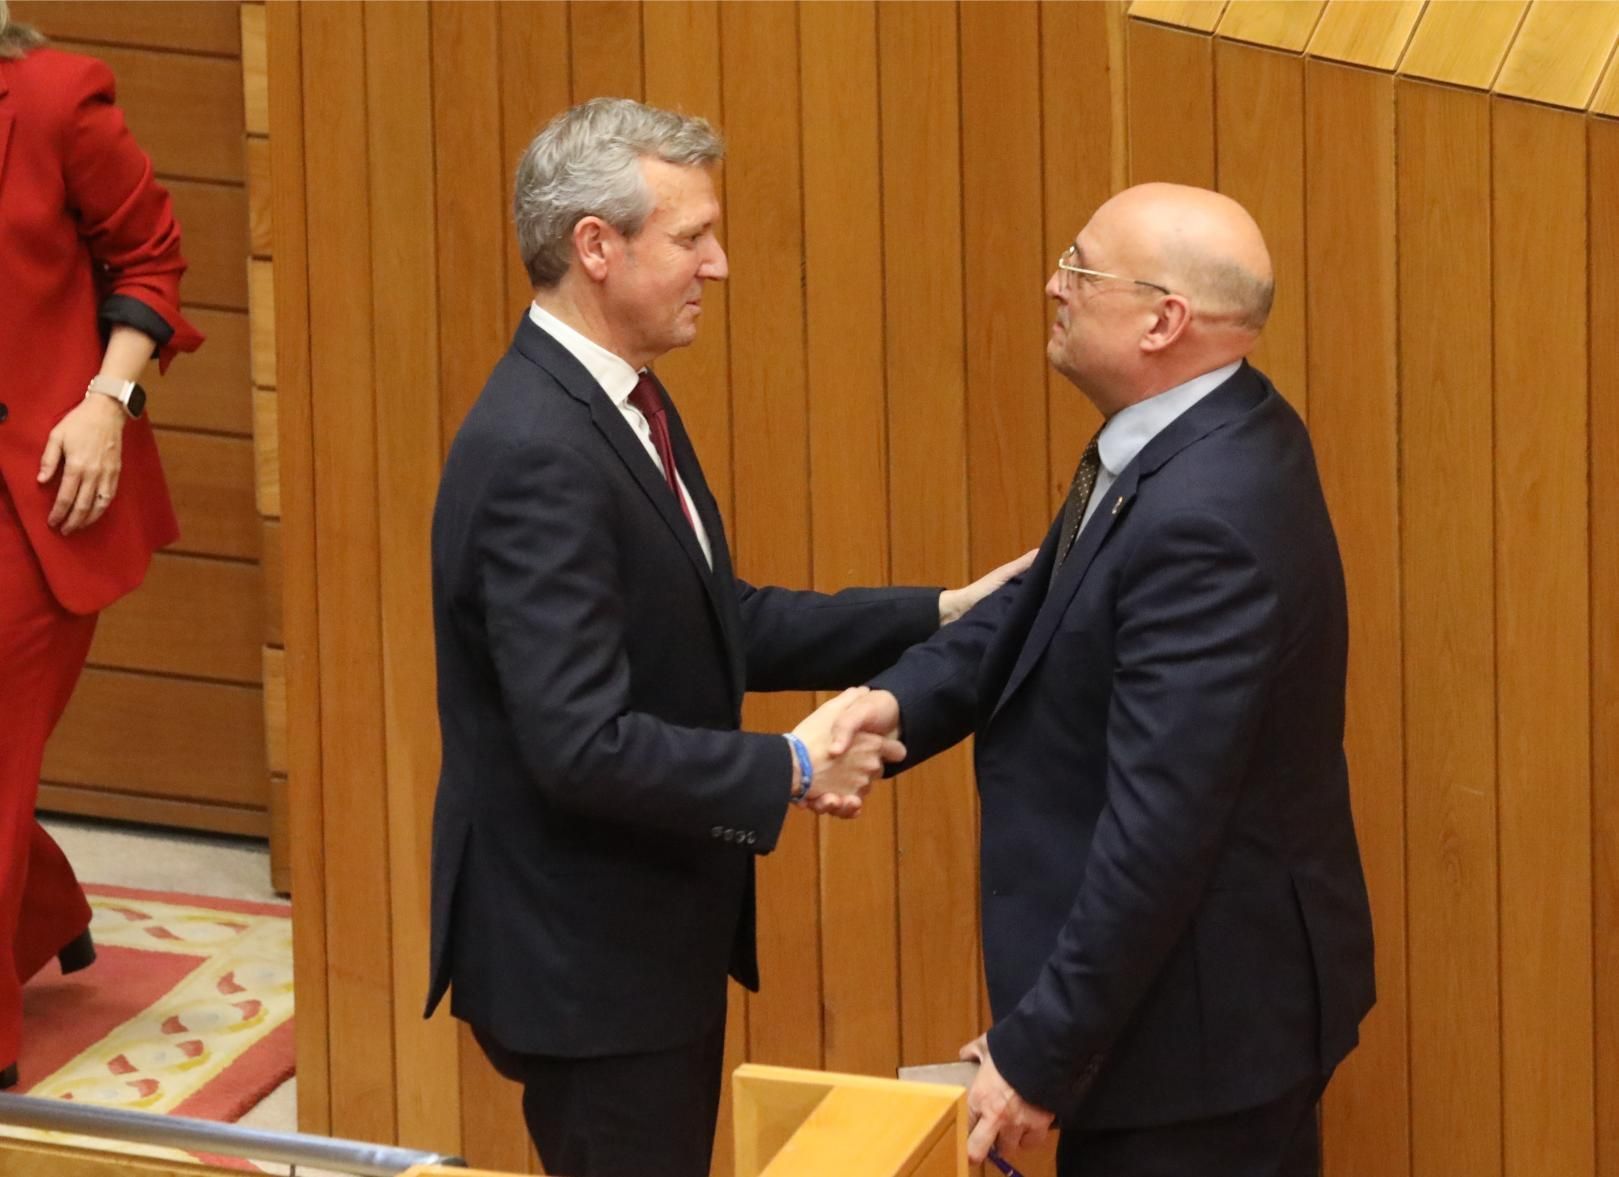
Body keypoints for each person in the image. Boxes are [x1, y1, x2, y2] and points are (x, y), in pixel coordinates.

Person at [425, 97, 1028, 1177]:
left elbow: (718, 620)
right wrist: (794, 763)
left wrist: (940, 609)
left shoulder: (621, 402)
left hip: (635, 935)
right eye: (692, 236)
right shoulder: (539, 453)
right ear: (595, 248)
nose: (720, 264)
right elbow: (579, 743)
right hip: (586, 962)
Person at [831, 183, 1375, 1177]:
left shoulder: (1203, 512)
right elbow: (1040, 601)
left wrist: (1037, 1054)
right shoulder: (1196, 430)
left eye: (1077, 269)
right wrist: (894, 701)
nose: (1051, 285)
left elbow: (1159, 827)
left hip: (1196, 1049)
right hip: (1182, 1021)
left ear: (1162, 319)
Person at [0, 6, 204, 1090]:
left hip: (30, 489)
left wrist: (104, 400)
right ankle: (46, 910)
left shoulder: (53, 101)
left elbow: (151, 255)